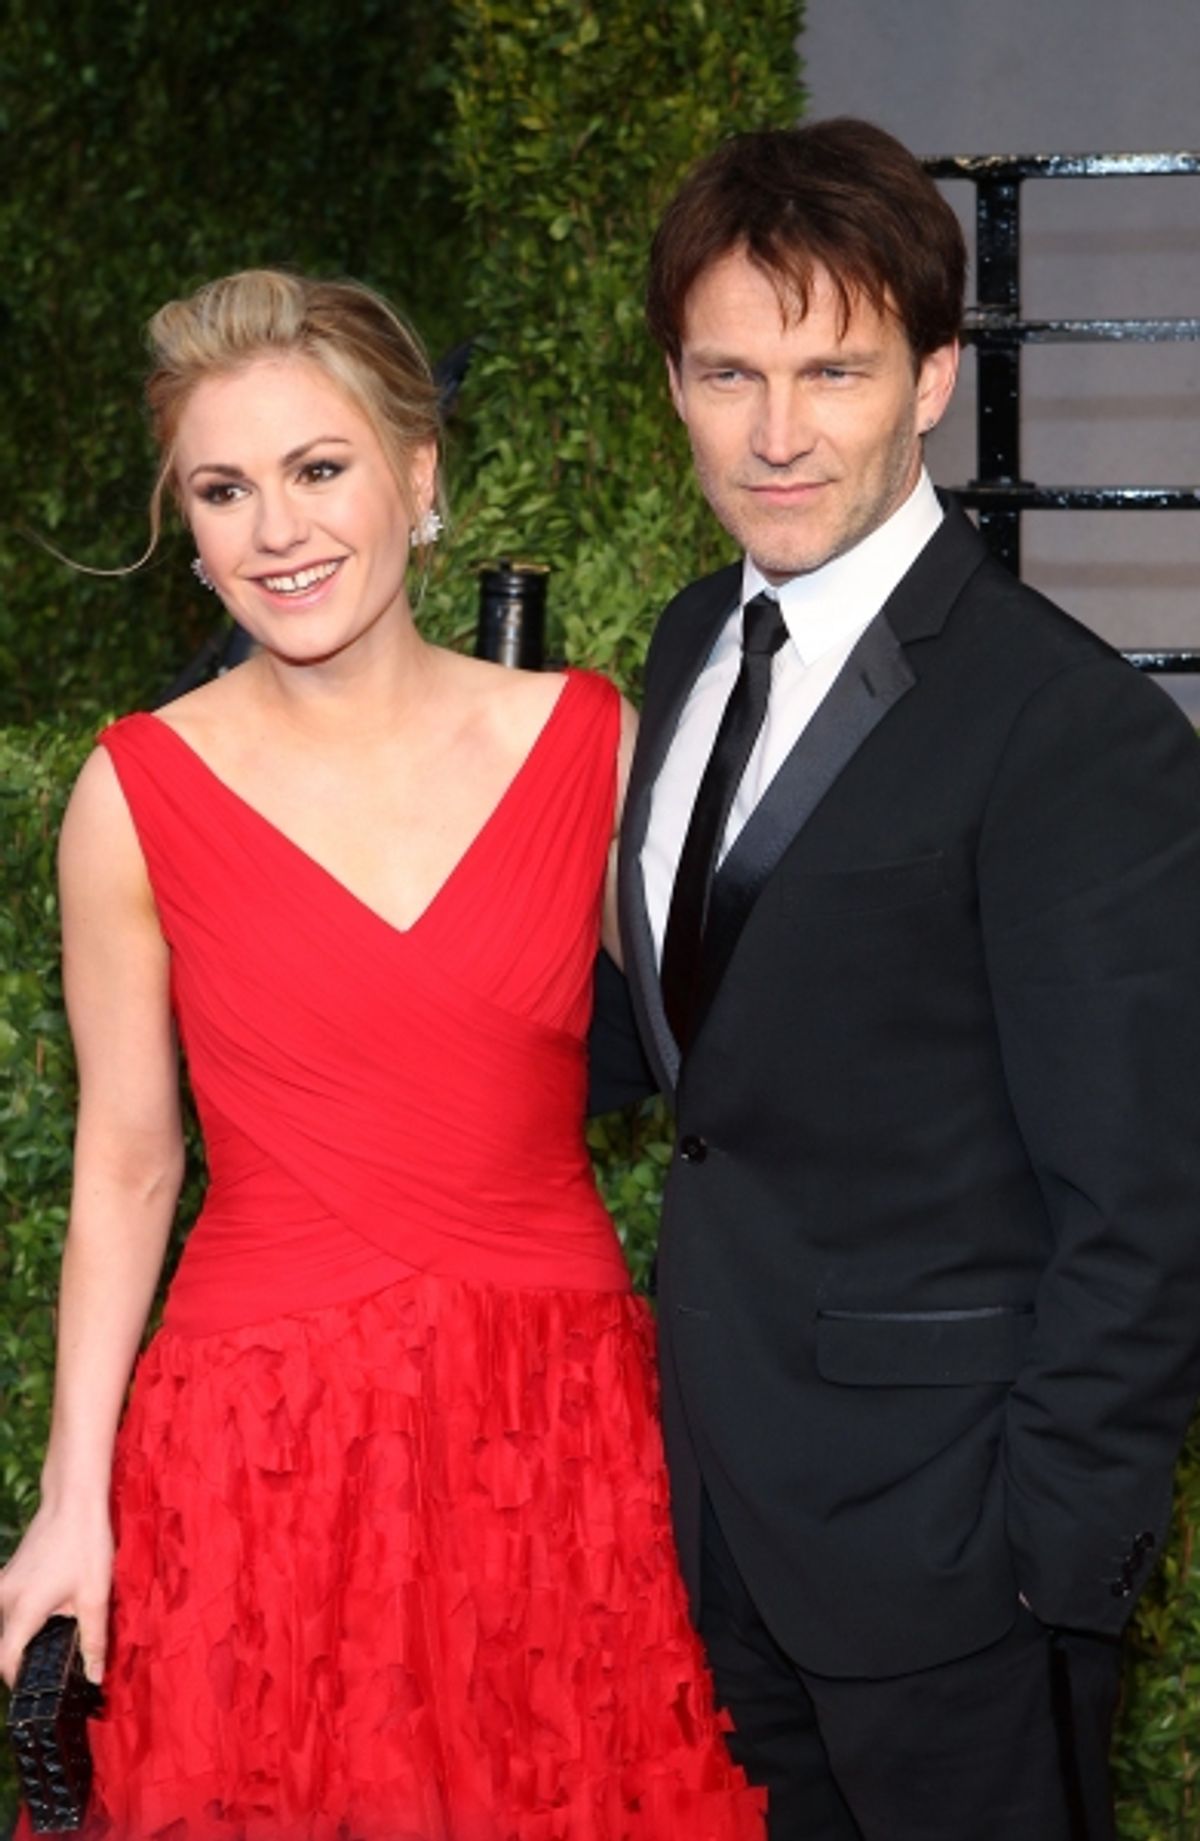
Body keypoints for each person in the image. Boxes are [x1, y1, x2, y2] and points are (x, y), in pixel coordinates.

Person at [0, 270, 764, 1840]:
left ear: (419, 479)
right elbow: (131, 1160)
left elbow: (752, 1072)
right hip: (256, 1456)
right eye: (224, 489)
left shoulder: (589, 744)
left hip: (547, 1450)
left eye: (318, 468)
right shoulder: (132, 795)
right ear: (190, 531)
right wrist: (75, 1496)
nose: (275, 529)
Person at [595, 117, 1200, 1840]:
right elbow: (702, 1038)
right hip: (719, 1517)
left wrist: (1045, 1572)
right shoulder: (692, 637)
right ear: (675, 387)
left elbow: (1146, 1205)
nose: (778, 432)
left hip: (955, 1569)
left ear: (933, 378)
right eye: (730, 372)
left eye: (835, 369)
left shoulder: (1071, 734)